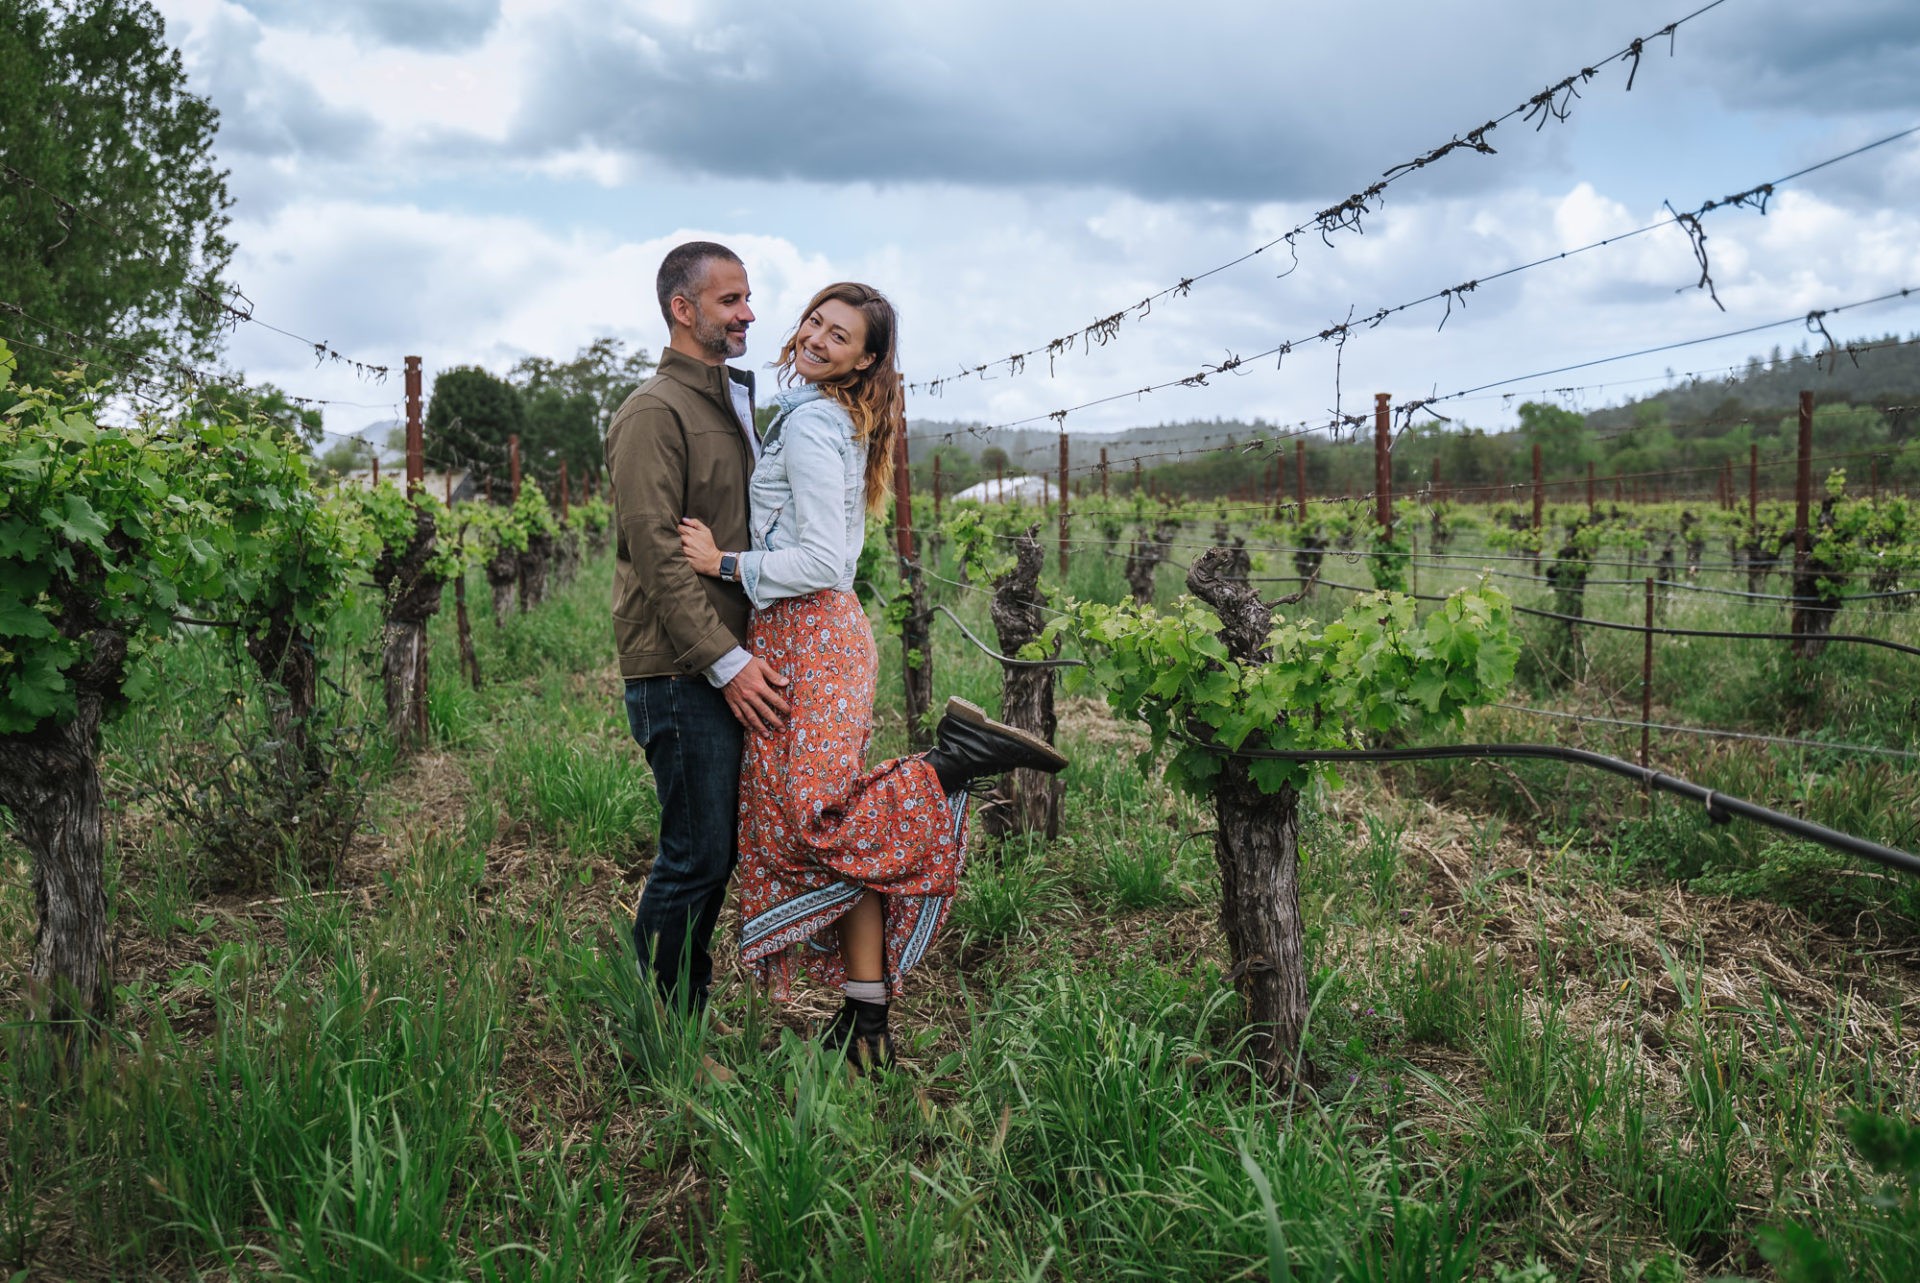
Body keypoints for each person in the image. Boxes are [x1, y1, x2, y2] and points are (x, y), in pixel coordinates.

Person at [677, 281, 1068, 1070]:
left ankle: (950, 760)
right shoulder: (833, 415)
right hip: (812, 635)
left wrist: (720, 560)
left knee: (819, 820)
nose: (818, 337)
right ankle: (867, 1031)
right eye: (815, 321)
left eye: (840, 334)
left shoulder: (818, 421)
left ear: (866, 359)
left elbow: (825, 559)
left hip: (809, 635)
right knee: (837, 832)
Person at [605, 241, 793, 1020]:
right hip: (684, 670)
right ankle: (662, 1027)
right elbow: (654, 552)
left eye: (748, 297)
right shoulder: (653, 413)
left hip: (727, 661)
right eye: (730, 300)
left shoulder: (728, 401)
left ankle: (679, 1010)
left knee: (716, 853)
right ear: (684, 310)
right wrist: (726, 660)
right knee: (695, 856)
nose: (748, 312)